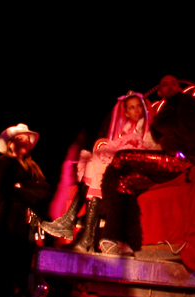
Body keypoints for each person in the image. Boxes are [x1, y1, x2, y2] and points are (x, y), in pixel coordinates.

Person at [98, 90, 195, 255]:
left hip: (182, 163)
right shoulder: (185, 122)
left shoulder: (184, 118)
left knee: (121, 157)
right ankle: (127, 241)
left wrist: (162, 129)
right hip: (178, 162)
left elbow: (179, 142)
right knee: (124, 181)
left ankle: (108, 219)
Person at [39, 92, 157, 252]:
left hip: (139, 165)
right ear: (127, 112)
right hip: (121, 165)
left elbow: (149, 151)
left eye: (138, 107)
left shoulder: (149, 128)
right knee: (94, 167)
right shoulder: (126, 130)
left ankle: (72, 223)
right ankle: (81, 232)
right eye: (131, 108)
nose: (136, 110)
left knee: (97, 166)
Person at [0, 123, 51, 297]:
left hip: (28, 232)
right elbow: (5, 189)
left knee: (27, 283)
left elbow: (44, 191)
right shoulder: (2, 163)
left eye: (28, 139)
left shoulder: (35, 169)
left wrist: (23, 188)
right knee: (5, 283)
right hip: (6, 228)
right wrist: (29, 191)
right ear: (11, 143)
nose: (25, 141)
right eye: (20, 138)